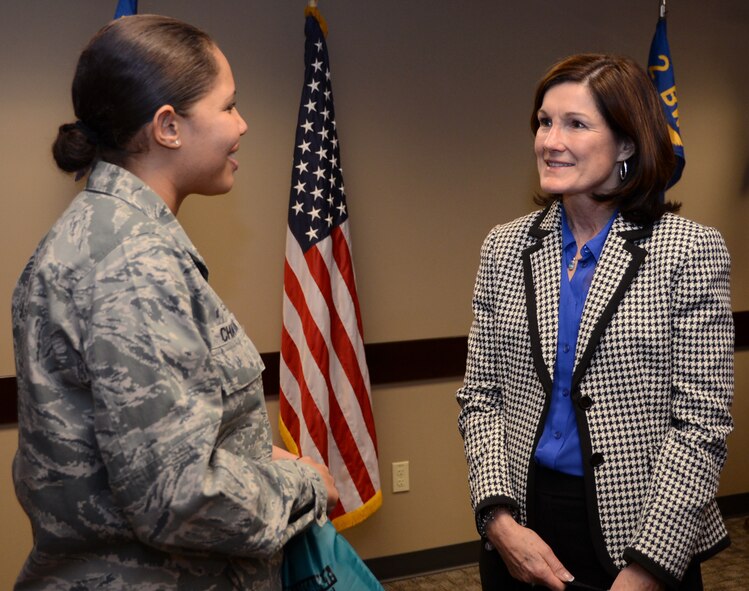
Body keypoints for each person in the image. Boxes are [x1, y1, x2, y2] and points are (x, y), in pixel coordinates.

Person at [11, 14, 339, 590]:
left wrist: (260, 458)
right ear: (168, 127)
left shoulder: (106, 232)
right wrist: (305, 485)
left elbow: (159, 438)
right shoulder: (133, 263)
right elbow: (175, 498)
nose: (243, 124)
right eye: (228, 106)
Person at [457, 53, 734, 591]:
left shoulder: (689, 252)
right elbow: (480, 397)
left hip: (641, 532)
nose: (549, 140)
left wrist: (647, 568)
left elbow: (700, 426)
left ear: (627, 144)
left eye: (575, 124)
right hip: (522, 521)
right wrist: (498, 519)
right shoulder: (505, 246)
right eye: (544, 121)